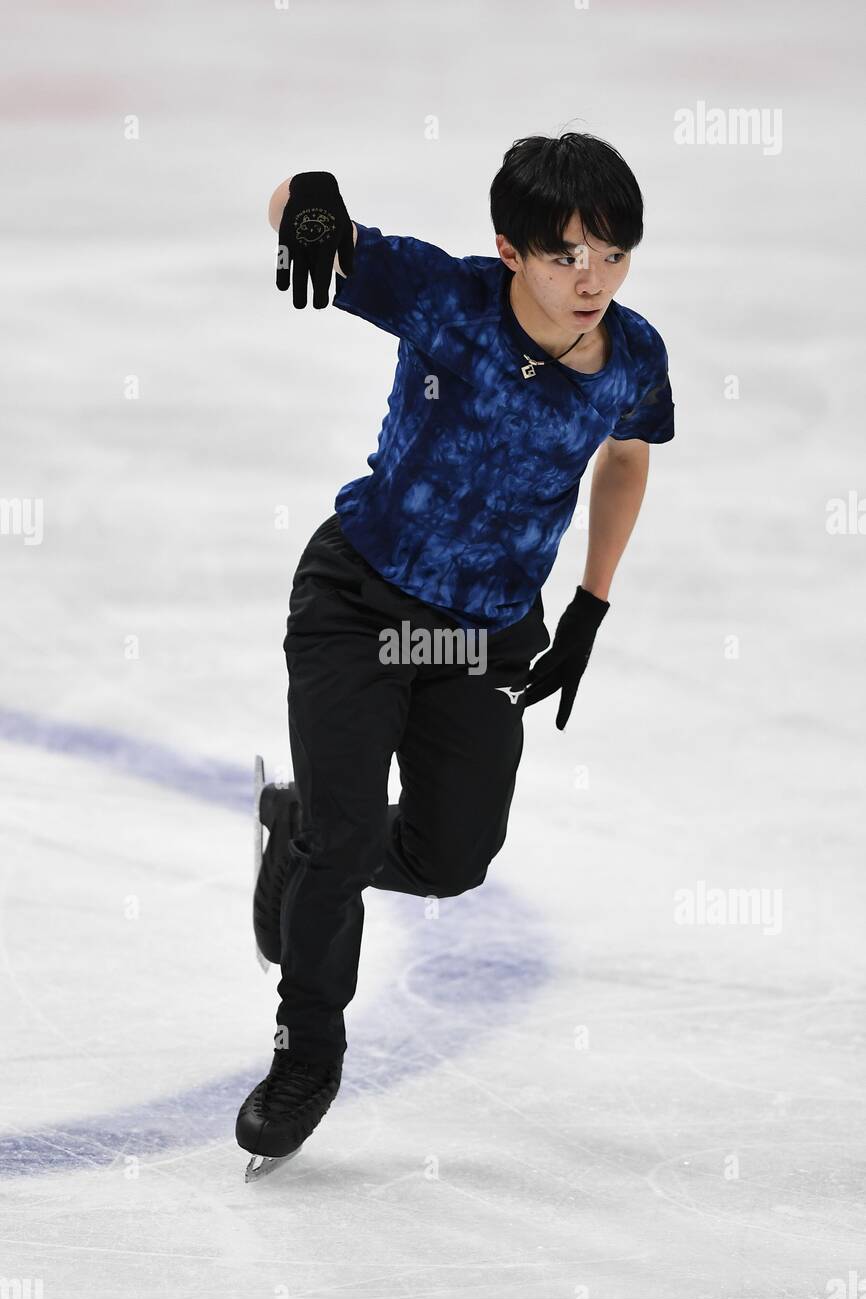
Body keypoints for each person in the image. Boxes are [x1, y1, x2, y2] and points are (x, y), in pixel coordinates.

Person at [236, 132, 675, 1170]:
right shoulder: (444, 298)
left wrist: (588, 608)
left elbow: (624, 458)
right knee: (344, 850)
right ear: (509, 249)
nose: (591, 280)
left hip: (483, 634)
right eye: (567, 255)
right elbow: (297, 206)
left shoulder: (634, 355)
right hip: (357, 601)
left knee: (449, 858)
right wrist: (308, 202)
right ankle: (305, 1056)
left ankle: (297, 830)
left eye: (611, 256)